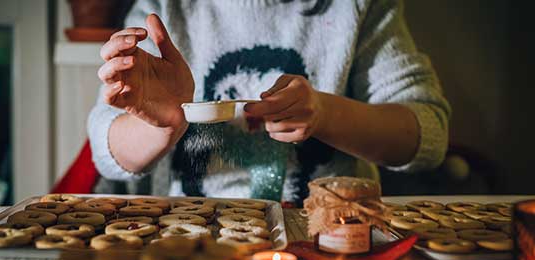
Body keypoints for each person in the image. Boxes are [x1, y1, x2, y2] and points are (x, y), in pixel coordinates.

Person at [87, 0, 451, 205]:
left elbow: (426, 135)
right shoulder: (163, 8)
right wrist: (163, 126)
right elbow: (109, 152)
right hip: (192, 245)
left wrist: (325, 114)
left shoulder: (357, 7)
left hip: (333, 238)